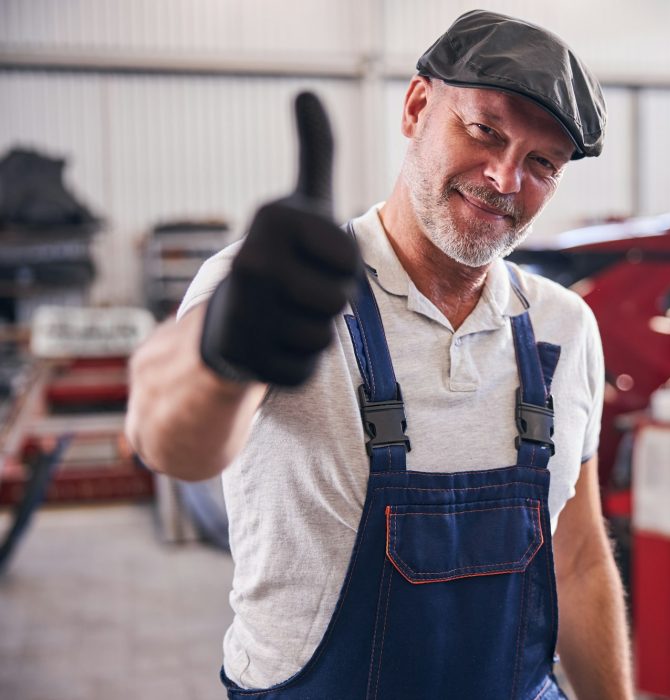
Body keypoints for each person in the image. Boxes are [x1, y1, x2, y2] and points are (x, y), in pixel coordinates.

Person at [126, 10, 631, 700]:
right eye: (485, 130)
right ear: (419, 106)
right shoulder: (280, 290)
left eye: (542, 163)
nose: (505, 178)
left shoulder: (563, 327)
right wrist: (224, 361)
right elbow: (169, 447)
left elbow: (575, 557)